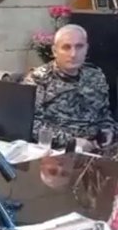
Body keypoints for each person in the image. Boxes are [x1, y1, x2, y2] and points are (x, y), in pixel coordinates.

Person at [23, 24, 118, 152]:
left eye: (79, 47)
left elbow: (104, 114)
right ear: (54, 51)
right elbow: (30, 125)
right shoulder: (39, 79)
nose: (73, 54)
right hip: (59, 151)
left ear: (86, 49)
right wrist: (72, 141)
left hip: (96, 148)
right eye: (66, 47)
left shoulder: (95, 75)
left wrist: (108, 131)